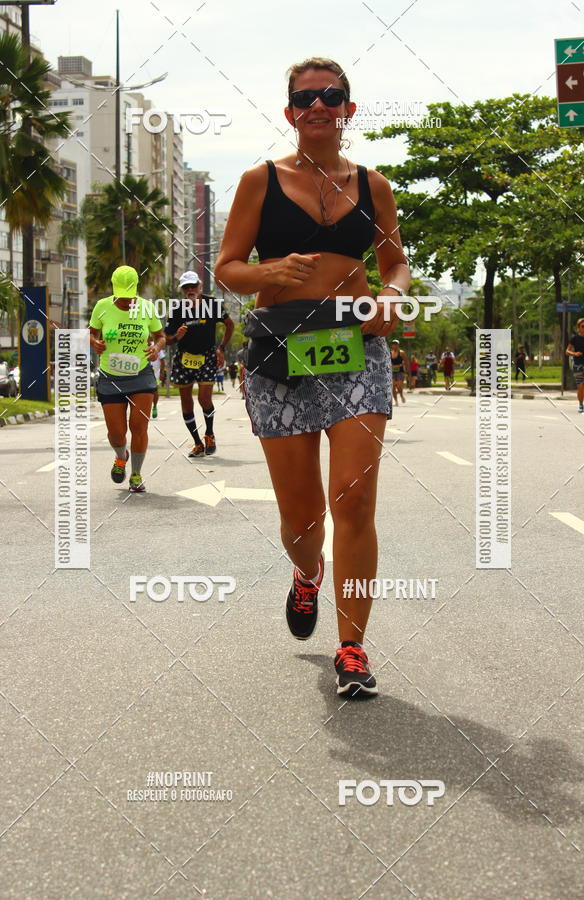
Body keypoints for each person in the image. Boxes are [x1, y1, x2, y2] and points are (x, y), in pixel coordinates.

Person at [215, 56, 409, 697]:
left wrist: (391, 298)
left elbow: (397, 264)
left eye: (332, 96)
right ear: (290, 109)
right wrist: (270, 273)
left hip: (356, 348)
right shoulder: (258, 181)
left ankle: (351, 647)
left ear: (349, 108)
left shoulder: (375, 185)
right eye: (306, 97)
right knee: (302, 520)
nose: (319, 106)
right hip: (281, 352)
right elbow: (227, 268)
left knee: (353, 502)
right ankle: (307, 574)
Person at [89, 265, 165, 493]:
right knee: (116, 433)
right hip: (110, 376)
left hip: (140, 374)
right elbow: (91, 332)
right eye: (121, 296)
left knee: (139, 427)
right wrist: (94, 342)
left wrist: (156, 348)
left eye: (129, 296)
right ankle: (121, 457)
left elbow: (160, 336)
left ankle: (136, 474)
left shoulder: (146, 308)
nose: (126, 301)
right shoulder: (102, 307)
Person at [164, 271, 234, 457]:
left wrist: (222, 348)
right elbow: (167, 339)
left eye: (193, 286)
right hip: (184, 358)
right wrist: (176, 337)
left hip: (207, 356)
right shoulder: (177, 309)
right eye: (186, 287)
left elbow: (230, 324)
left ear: (200, 286)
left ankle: (209, 434)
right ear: (182, 290)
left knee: (204, 399)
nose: (190, 290)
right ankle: (197, 443)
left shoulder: (212, 304)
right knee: (186, 403)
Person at [566, 317, 584, 412]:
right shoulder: (575, 338)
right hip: (578, 365)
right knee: (580, 387)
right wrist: (574, 353)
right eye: (583, 326)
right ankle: (581, 405)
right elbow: (567, 351)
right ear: (579, 327)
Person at [390, 339, 408, 405]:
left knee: (399, 386)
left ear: (398, 345)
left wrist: (406, 370)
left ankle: (401, 395)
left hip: (400, 371)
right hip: (392, 371)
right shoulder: (390, 353)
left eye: (396, 344)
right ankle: (396, 401)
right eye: (393, 344)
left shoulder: (401, 353)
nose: (394, 345)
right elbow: (388, 362)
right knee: (393, 386)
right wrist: (391, 366)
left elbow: (406, 361)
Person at [151, 347, 166, 417]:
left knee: (155, 391)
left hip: (155, 372)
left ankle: (154, 406)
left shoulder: (156, 346)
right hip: (143, 371)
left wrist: (162, 373)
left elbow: (162, 361)